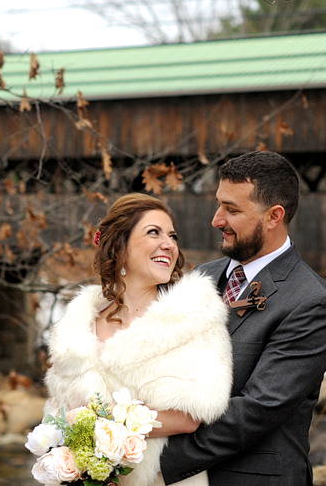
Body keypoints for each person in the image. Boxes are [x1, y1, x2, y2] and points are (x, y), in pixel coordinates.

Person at [161, 151, 326, 486]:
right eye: (218, 204)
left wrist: (154, 460)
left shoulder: (312, 303)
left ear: (274, 216)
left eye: (231, 209)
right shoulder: (203, 276)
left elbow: (257, 410)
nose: (216, 219)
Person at [44, 193, 233, 486]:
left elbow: (190, 415)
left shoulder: (193, 314)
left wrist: (99, 433)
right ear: (119, 246)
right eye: (153, 233)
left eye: (172, 235)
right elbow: (58, 413)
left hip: (165, 480)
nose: (168, 244)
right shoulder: (76, 325)